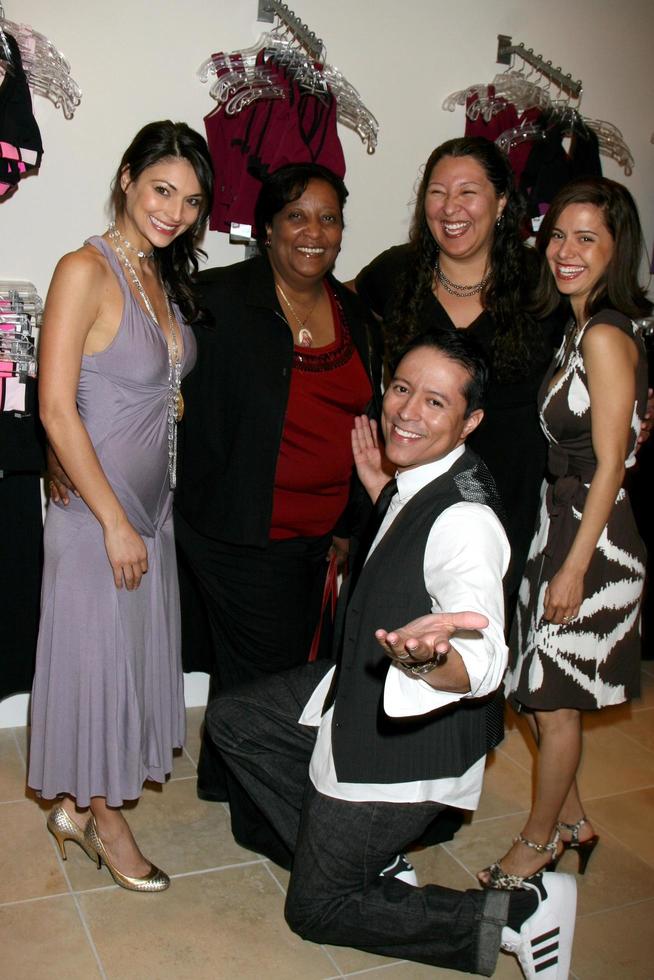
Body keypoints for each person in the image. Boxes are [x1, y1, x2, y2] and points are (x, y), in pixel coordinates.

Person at [205, 330, 578, 979]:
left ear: (472, 420)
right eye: (402, 389)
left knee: (316, 908)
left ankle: (517, 916)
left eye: (436, 402)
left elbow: (485, 657)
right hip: (362, 689)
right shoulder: (422, 478)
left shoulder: (465, 520)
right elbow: (409, 531)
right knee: (237, 721)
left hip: (411, 735)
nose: (407, 411)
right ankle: (361, 856)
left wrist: (435, 660)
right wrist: (383, 493)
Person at [173, 163, 382, 865]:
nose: (313, 233)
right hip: (238, 530)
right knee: (272, 677)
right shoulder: (217, 300)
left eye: (329, 218)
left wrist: (353, 524)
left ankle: (219, 779)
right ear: (266, 227)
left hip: (320, 534)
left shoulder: (356, 314)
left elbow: (367, 424)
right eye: (297, 216)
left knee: (261, 668)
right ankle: (268, 823)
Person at [29, 120, 214, 891]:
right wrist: (110, 520)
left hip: (150, 509)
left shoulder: (157, 273)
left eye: (192, 201)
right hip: (97, 517)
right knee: (98, 667)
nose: (175, 210)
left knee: (118, 670)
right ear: (129, 177)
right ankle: (107, 824)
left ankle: (73, 804)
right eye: (162, 189)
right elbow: (55, 408)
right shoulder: (86, 267)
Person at [479, 177, 650, 889]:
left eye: (587, 238)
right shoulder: (585, 327)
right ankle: (575, 821)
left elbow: (611, 461)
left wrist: (576, 568)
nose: (566, 251)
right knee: (538, 693)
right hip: (563, 524)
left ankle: (538, 842)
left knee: (551, 701)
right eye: (559, 235)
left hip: (592, 537)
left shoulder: (605, 333)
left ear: (617, 250)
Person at [354, 136, 565, 603]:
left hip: (507, 499)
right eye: (436, 191)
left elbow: (598, 345)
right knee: (392, 626)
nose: (450, 207)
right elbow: (336, 304)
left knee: (473, 642)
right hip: (407, 490)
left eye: (468, 191)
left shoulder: (542, 285)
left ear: (503, 201)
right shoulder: (395, 273)